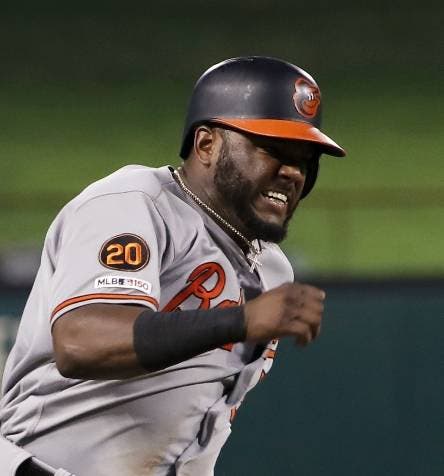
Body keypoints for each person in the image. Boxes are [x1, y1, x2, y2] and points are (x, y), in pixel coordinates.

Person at [0, 56, 345, 476]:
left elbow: (198, 426)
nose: (292, 172)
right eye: (272, 149)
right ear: (206, 145)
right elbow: (79, 342)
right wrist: (239, 320)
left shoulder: (274, 270)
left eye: (306, 160)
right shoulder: (136, 203)